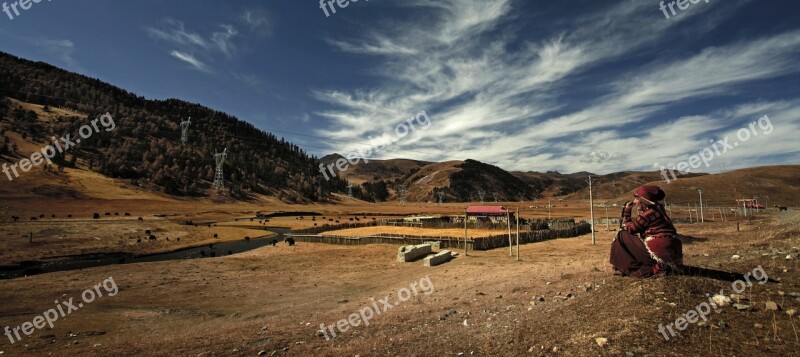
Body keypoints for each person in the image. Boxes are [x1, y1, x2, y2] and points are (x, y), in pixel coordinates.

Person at [609, 185, 683, 278]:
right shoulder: (659, 210)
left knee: (622, 234)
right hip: (671, 253)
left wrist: (627, 211)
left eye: (636, 198)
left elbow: (630, 229)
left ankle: (621, 267)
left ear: (644, 200)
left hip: (658, 256)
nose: (635, 202)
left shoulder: (646, 215)